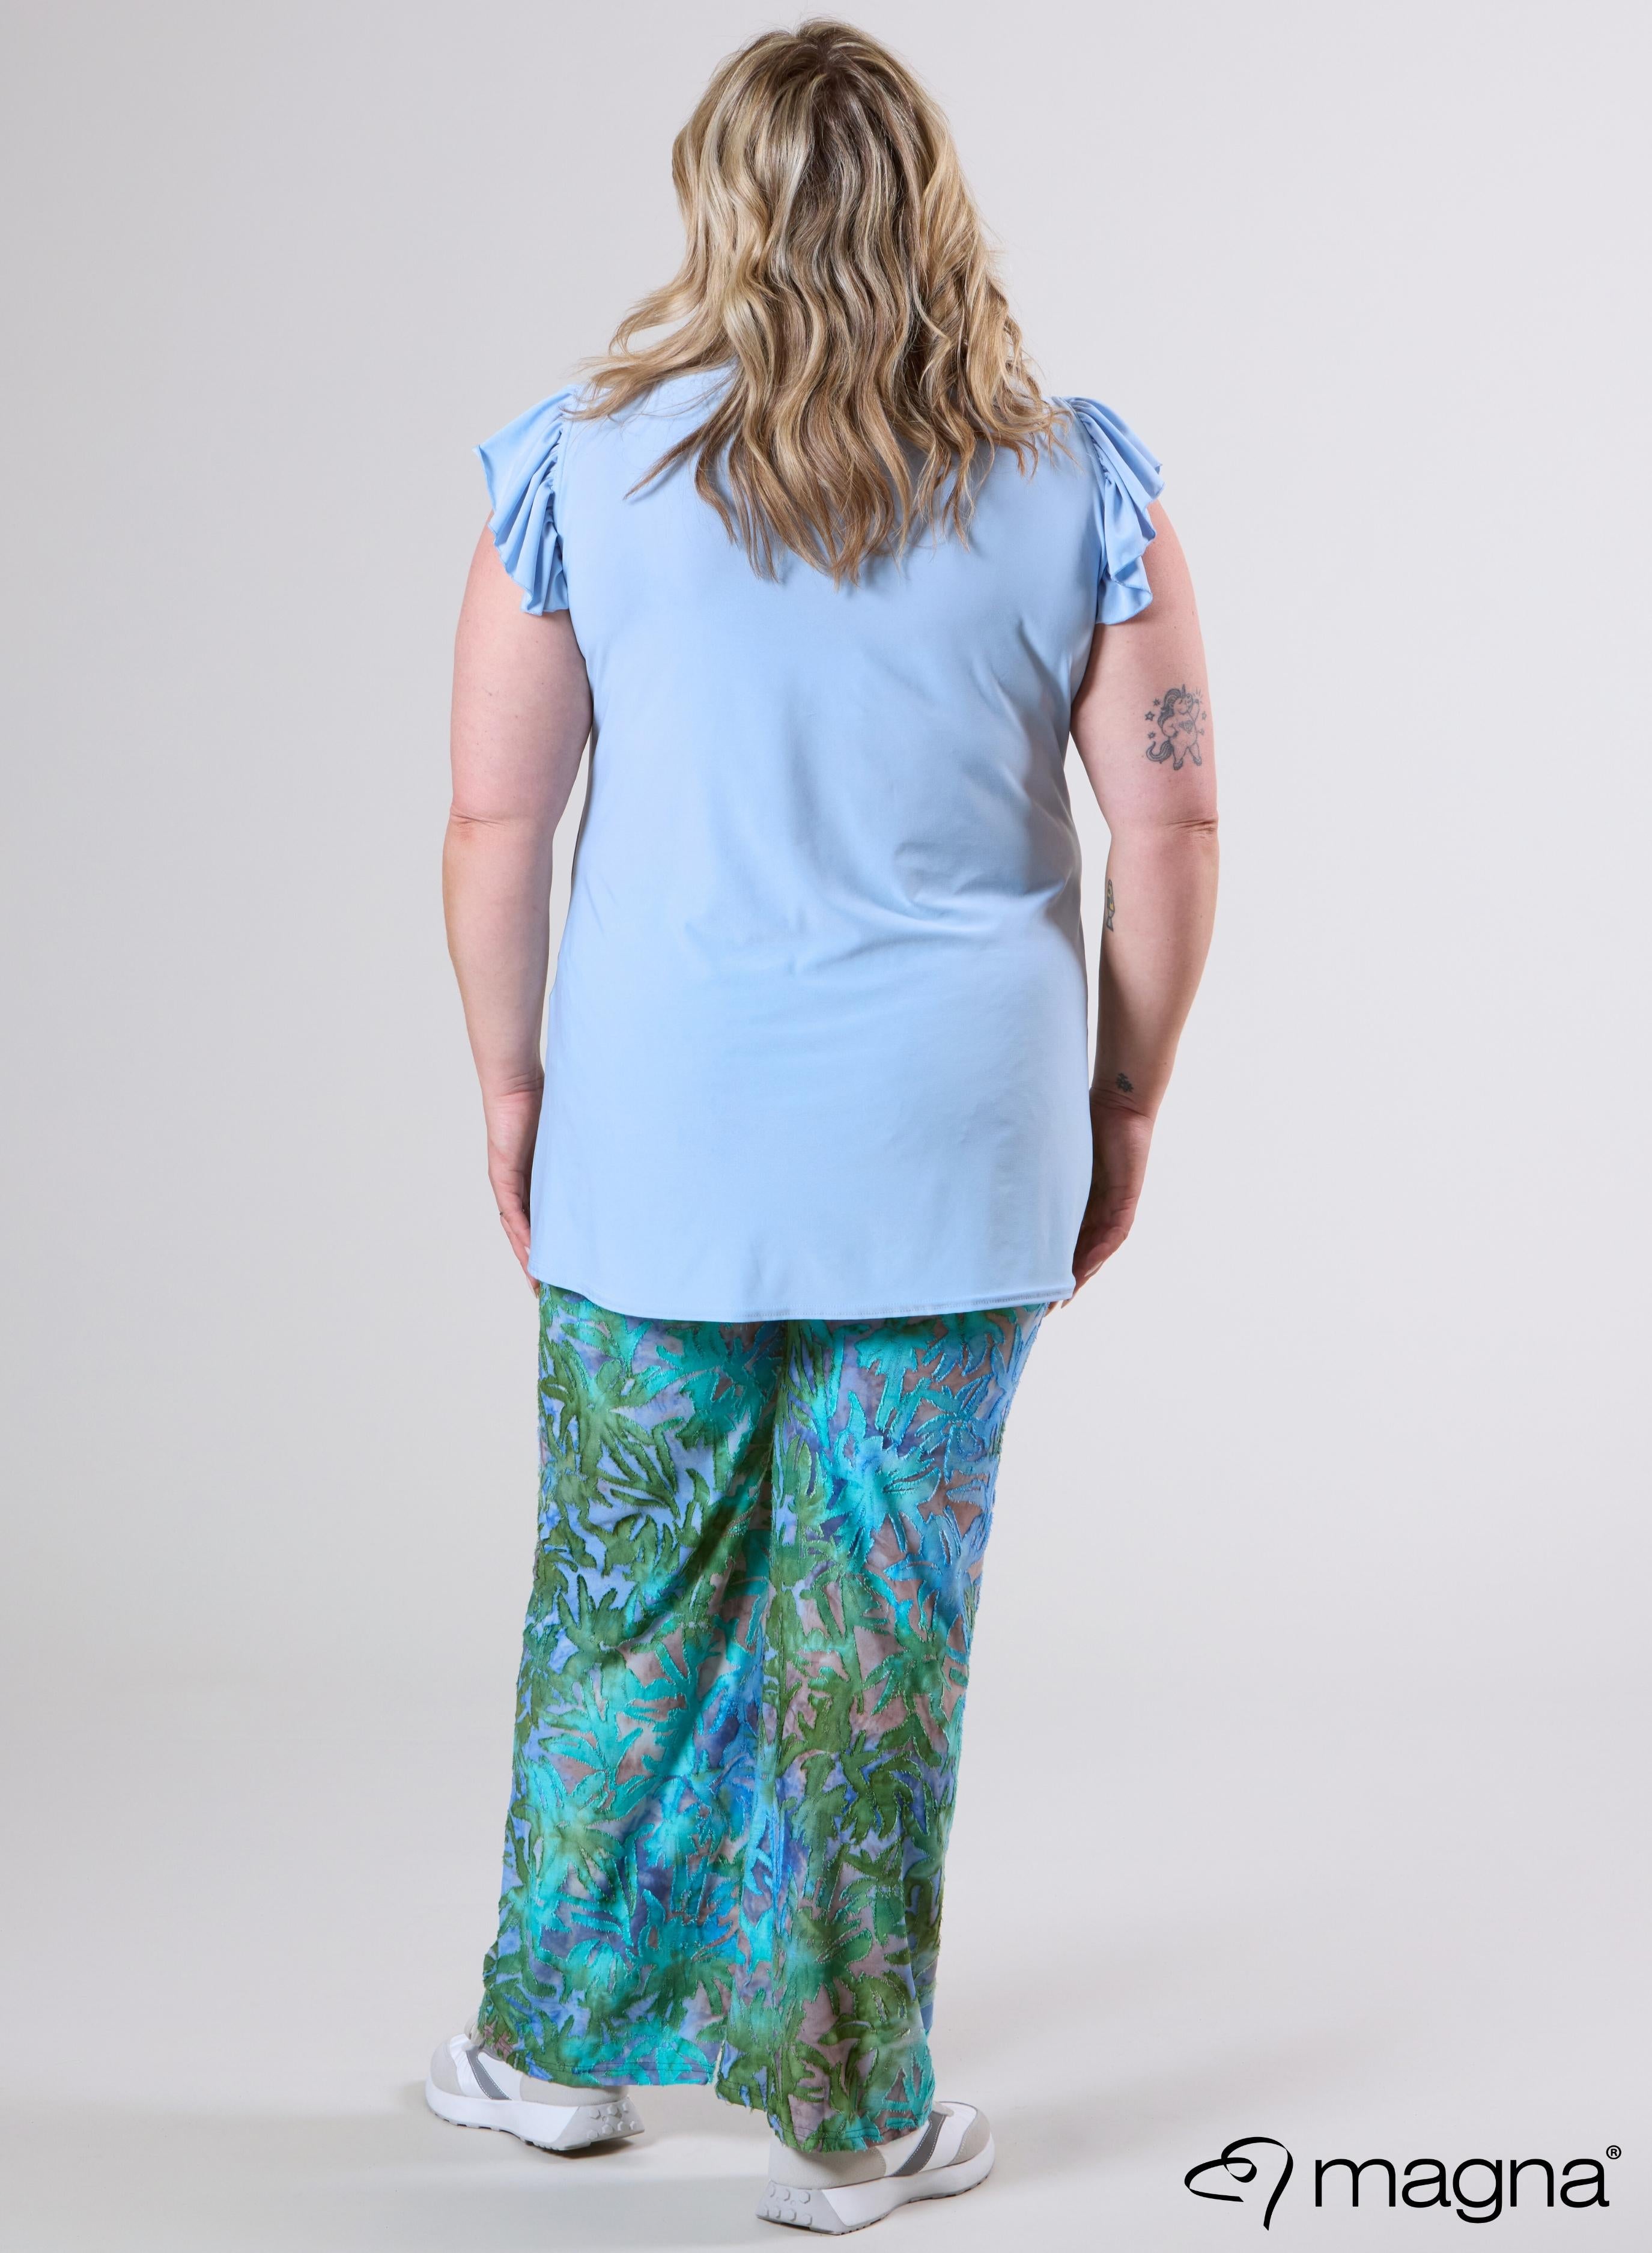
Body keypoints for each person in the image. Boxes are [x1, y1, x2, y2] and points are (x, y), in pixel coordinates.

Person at [429, 17, 1217, 2235]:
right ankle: (853, 2119)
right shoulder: (1083, 486)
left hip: (663, 1127)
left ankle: (554, 2055)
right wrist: (1127, 1096)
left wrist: (511, 1080)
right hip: (953, 1140)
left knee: (630, 1593)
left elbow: (498, 821)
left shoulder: (577, 470)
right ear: (934, 201)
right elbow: (1171, 827)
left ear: (719, 203)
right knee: (880, 1626)